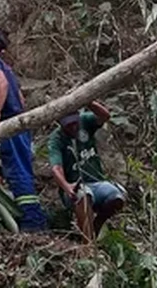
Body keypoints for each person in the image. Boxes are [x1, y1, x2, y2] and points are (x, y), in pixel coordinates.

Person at [0, 29, 48, 232]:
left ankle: (32, 224)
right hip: (19, 124)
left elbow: (2, 83)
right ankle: (37, 219)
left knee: (17, 172)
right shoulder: (7, 67)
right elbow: (20, 96)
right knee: (23, 169)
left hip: (9, 124)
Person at [48, 101, 125, 242]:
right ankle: (87, 243)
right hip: (76, 186)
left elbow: (105, 116)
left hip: (96, 182)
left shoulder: (85, 121)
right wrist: (67, 187)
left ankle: (97, 225)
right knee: (84, 195)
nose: (73, 127)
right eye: (68, 125)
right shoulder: (56, 139)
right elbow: (56, 168)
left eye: (74, 123)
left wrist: (89, 101)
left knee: (117, 197)